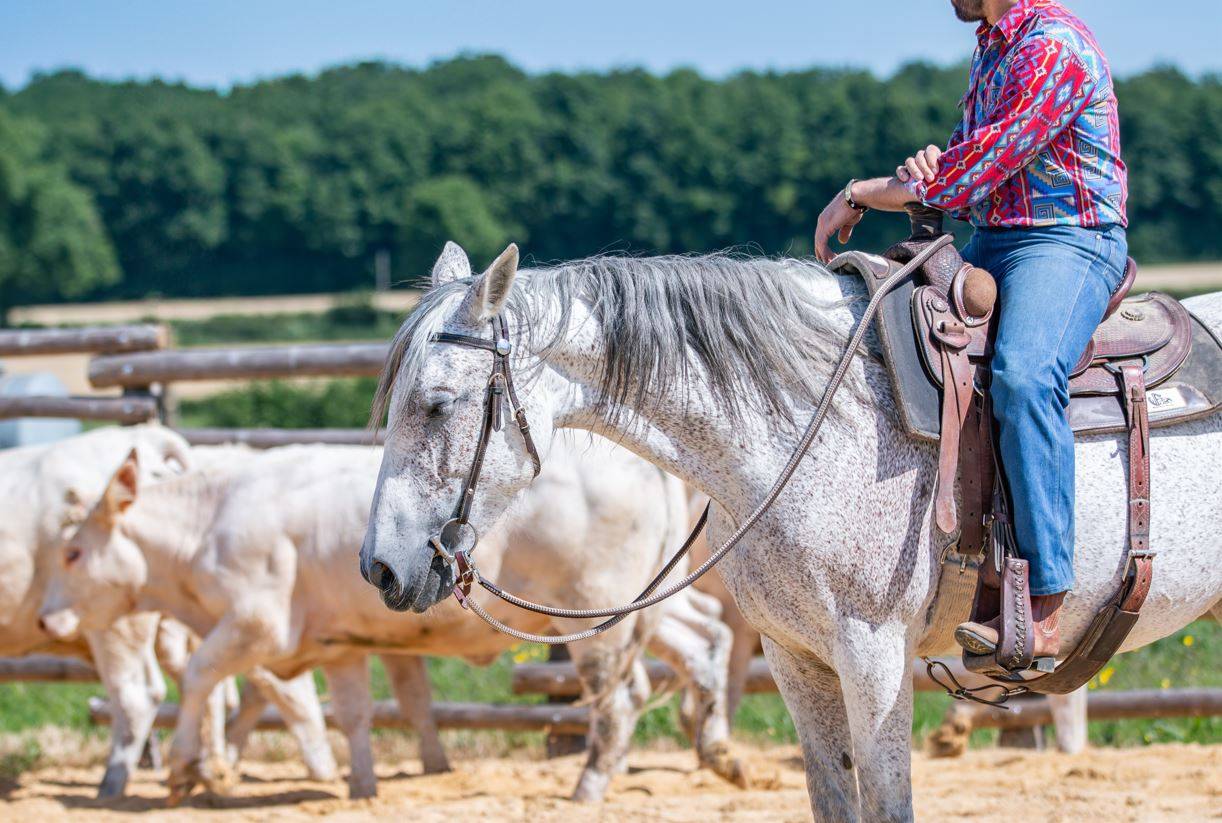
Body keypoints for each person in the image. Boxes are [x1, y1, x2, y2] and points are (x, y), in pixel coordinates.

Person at [813, 0, 1128, 663]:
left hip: (1069, 240)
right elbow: (967, 164)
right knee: (895, 338)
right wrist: (931, 166)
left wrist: (865, 191)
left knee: (1023, 373)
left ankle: (1043, 593)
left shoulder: (1055, 47)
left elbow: (979, 169)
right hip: (996, 237)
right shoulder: (993, 47)